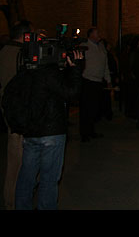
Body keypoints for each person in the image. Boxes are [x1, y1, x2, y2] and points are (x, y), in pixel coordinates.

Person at [12, 49, 83, 210]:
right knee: (49, 179)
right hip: (51, 132)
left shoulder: (26, 71)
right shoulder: (49, 73)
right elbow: (72, 93)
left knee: (26, 176)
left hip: (31, 131)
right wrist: (76, 69)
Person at [0, 20, 32, 210]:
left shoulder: (5, 51)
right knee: (16, 159)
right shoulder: (18, 54)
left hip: (10, 108)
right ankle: (11, 201)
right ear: (25, 36)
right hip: (17, 111)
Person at [79, 27, 111, 142]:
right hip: (88, 80)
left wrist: (108, 78)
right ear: (91, 35)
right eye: (97, 33)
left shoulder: (101, 46)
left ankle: (91, 130)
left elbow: (105, 64)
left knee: (94, 108)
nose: (99, 35)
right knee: (86, 108)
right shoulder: (84, 46)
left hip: (98, 81)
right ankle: (84, 133)